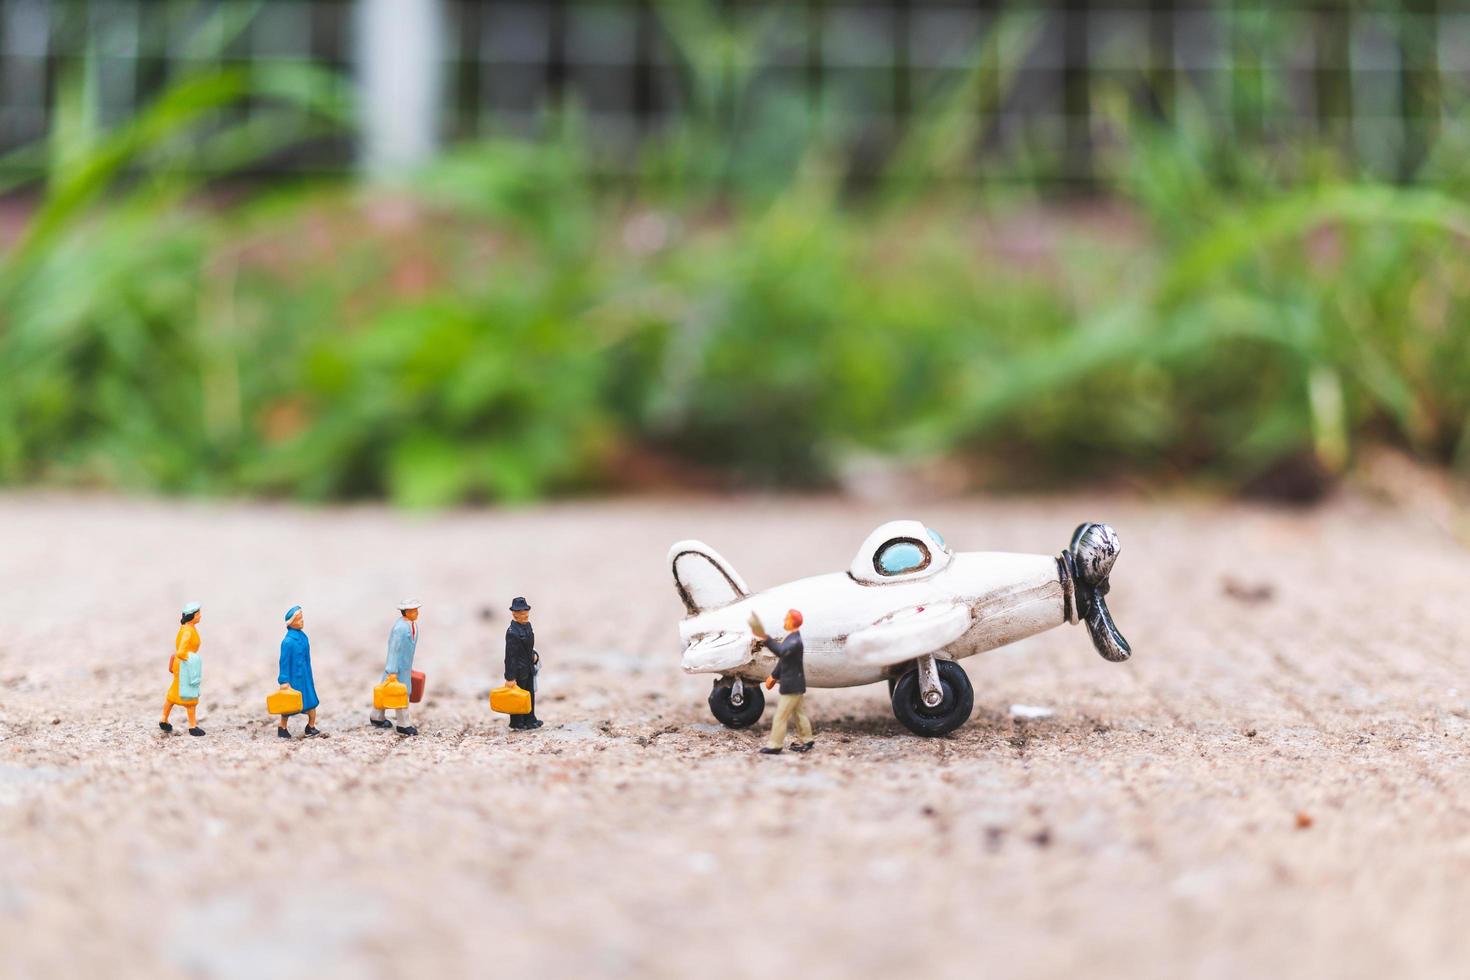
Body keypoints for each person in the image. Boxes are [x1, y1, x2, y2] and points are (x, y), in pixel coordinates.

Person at [754, 609, 812, 755]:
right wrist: (773, 676)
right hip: (795, 684)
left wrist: (766, 639)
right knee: (799, 714)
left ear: (792, 621)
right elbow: (784, 661)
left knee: (780, 716)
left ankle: (775, 745)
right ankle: (807, 740)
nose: (784, 621)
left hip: (792, 686)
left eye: (786, 619)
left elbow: (781, 652)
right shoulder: (791, 638)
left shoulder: (794, 642)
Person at [370, 600, 420, 736]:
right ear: (407, 612)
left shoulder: (412, 626)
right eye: (414, 610)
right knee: (401, 693)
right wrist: (392, 669)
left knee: (386, 690)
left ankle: (377, 715)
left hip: (404, 666)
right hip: (396, 668)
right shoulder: (401, 628)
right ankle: (403, 724)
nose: (417, 613)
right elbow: (394, 648)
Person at [161, 602, 206, 737]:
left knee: (174, 692)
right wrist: (193, 660)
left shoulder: (187, 628)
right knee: (190, 696)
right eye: (197, 614)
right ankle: (192, 726)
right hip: (185, 665)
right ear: (191, 616)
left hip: (181, 664)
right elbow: (181, 652)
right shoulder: (187, 632)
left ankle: (163, 718)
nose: (200, 616)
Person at [276, 605, 321, 739]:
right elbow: (283, 662)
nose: (302, 621)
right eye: (299, 619)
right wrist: (283, 681)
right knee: (288, 707)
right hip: (293, 680)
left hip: (306, 678)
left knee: (311, 703)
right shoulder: (288, 642)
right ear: (291, 622)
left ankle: (310, 726)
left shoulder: (304, 637)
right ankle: (282, 727)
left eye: (302, 618)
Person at [503, 597, 542, 730]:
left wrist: (533, 656)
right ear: (515, 614)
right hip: (518, 670)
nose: (526, 616)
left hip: (529, 668)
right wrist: (510, 677)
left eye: (527, 613)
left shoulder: (528, 626)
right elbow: (510, 656)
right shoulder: (512, 633)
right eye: (523, 614)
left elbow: (528, 648)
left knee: (529, 693)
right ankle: (517, 721)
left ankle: (530, 719)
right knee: (517, 696)